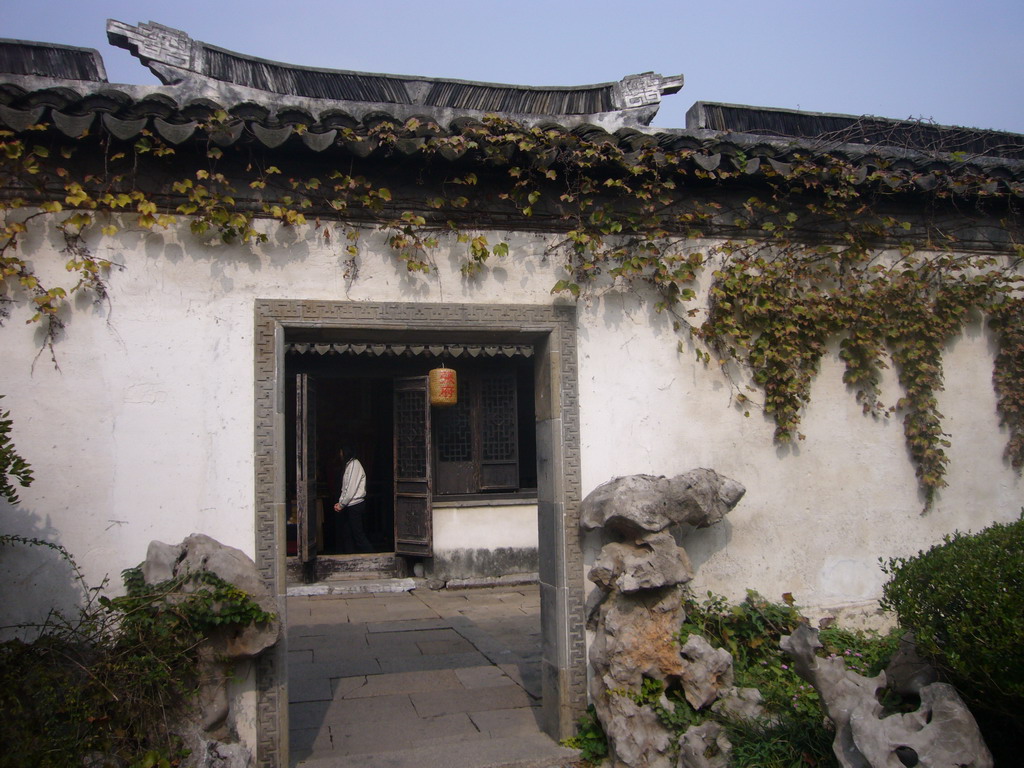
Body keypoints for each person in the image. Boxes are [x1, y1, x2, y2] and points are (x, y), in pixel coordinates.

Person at [334, 444, 373, 553]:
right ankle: (349, 556)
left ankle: (372, 556)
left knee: (358, 535)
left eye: (341, 452)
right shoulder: (348, 465)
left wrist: (341, 504)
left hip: (355, 505)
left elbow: (350, 488)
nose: (340, 455)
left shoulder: (354, 465)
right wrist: (340, 503)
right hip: (349, 505)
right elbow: (344, 488)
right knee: (347, 534)